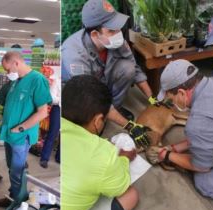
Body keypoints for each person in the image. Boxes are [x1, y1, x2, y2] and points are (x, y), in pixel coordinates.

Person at [146, 59, 213, 207]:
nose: (171, 103)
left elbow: (201, 166)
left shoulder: (199, 125)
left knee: (204, 181)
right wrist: (173, 148)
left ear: (181, 93)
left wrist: (166, 155)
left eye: (170, 99)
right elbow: (212, 133)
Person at [62, 75, 139, 210]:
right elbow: (120, 186)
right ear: (97, 121)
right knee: (131, 195)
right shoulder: (105, 157)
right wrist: (125, 157)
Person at [61, 0, 152, 147]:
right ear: (96, 34)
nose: (118, 33)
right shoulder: (74, 55)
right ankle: (102, 116)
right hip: (77, 95)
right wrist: (130, 126)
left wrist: (151, 98)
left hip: (101, 80)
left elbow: (134, 68)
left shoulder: (115, 40)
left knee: (127, 68)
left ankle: (111, 111)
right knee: (86, 123)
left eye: (118, 28)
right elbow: (91, 96)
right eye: (111, 30)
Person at [0, 51, 52, 208]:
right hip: (9, 133)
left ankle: (20, 203)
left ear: (16, 63)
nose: (7, 73)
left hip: (20, 135)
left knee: (17, 171)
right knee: (11, 167)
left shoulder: (37, 80)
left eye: (8, 69)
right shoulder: (15, 81)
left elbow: (43, 112)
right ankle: (14, 195)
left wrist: (21, 128)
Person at [40, 72, 61, 168]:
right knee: (53, 132)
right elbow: (51, 98)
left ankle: (59, 157)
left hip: (70, 109)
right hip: (57, 108)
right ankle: (44, 158)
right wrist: (61, 100)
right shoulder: (57, 81)